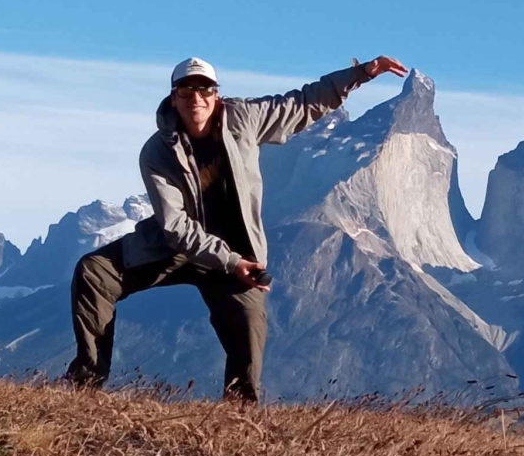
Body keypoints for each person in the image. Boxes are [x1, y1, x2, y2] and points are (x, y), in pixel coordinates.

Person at [66, 53, 408, 400]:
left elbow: (303, 103)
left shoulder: (244, 118)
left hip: (237, 254)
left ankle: (238, 413)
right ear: (174, 98)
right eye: (186, 90)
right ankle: (87, 384)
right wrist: (231, 262)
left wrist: (362, 73)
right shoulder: (156, 152)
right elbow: (175, 226)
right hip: (175, 248)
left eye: (204, 89)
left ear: (216, 94)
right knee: (94, 272)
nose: (196, 98)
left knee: (249, 323)